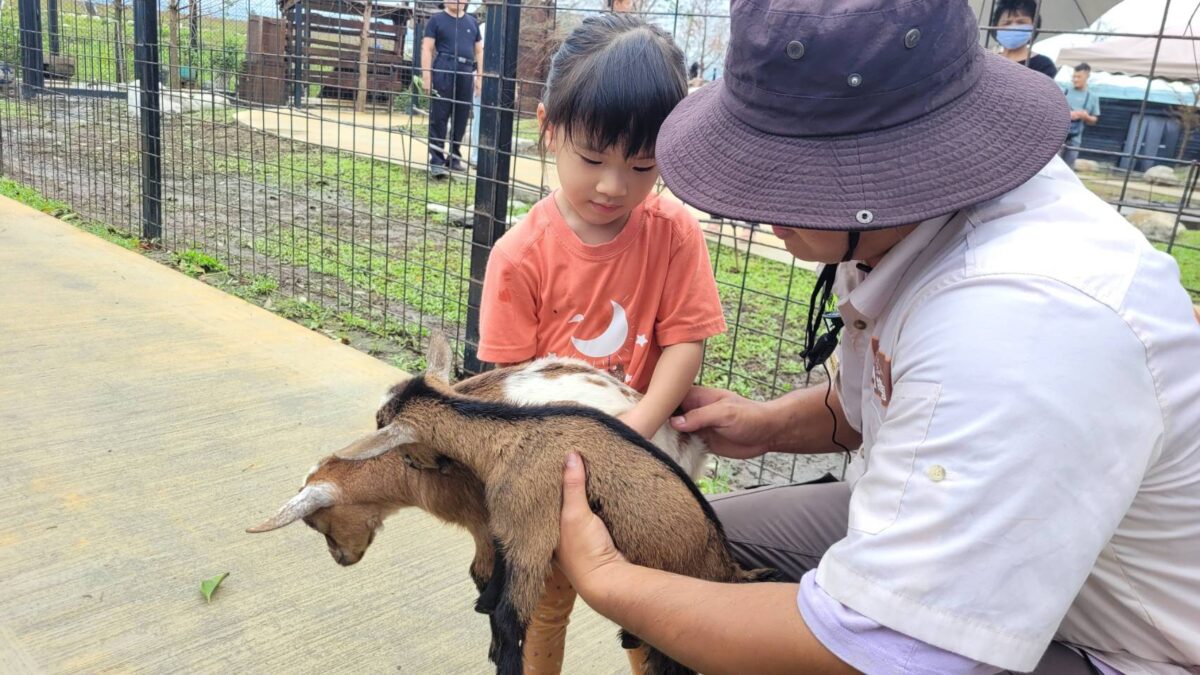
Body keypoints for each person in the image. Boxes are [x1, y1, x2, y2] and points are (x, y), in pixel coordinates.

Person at [554, 0, 1200, 673]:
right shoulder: (903, 229)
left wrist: (608, 580)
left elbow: (886, 649)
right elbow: (875, 400)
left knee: (677, 596)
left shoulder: (1019, 325)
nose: (756, 207)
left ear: (874, 166)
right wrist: (765, 423)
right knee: (688, 541)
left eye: (784, 174)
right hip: (994, 556)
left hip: (1126, 647)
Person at [476, 14, 726, 674]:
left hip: (644, 469)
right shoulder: (519, 255)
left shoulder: (673, 233)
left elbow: (684, 344)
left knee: (651, 608)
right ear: (547, 127)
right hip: (554, 483)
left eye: (643, 165)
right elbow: (509, 388)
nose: (614, 186)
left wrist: (635, 436)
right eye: (592, 158)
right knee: (542, 606)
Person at [422, 0, 483, 178]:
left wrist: (480, 76)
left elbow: (479, 51)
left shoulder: (472, 22)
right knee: (439, 116)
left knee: (462, 116)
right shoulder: (436, 20)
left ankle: (454, 157)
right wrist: (427, 76)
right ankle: (437, 161)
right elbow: (427, 48)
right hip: (443, 67)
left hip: (466, 70)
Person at [992, 0, 1059, 79]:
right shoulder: (989, 61)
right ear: (996, 27)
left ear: (1034, 26)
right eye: (1007, 23)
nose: (1014, 27)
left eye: (1021, 22)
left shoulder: (1043, 65)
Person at [1062, 62, 1101, 170]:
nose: (1075, 79)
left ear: (1087, 76)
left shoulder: (1093, 97)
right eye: (1074, 76)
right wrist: (1067, 114)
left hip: (1075, 139)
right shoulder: (1064, 91)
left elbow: (1094, 120)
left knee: (1068, 169)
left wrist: (1085, 116)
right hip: (1057, 137)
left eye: (1078, 77)